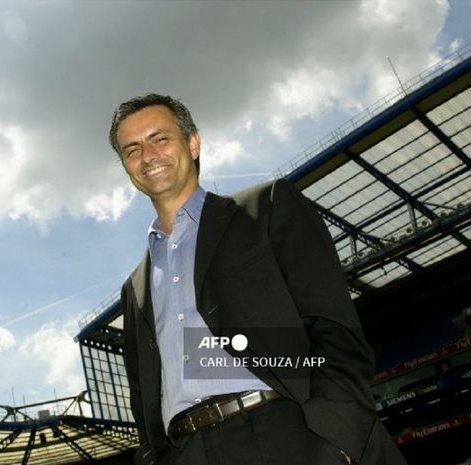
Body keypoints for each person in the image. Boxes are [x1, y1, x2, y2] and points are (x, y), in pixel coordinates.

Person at [110, 94, 408, 465]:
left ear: (193, 142)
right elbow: (144, 403)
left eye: (160, 138)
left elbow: (335, 328)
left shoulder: (266, 208)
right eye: (132, 149)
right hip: (187, 451)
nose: (148, 155)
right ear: (126, 166)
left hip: (288, 432)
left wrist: (339, 436)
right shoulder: (134, 288)